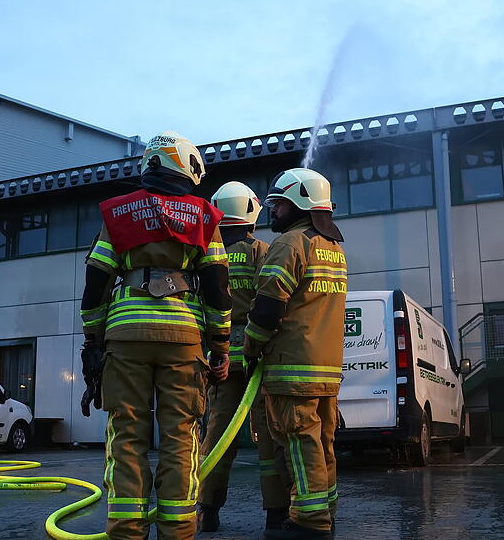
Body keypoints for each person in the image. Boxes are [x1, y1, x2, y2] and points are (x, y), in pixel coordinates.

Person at [79, 132, 231, 540]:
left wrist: (92, 340)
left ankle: (127, 529)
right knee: (181, 433)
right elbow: (217, 287)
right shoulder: (203, 216)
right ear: (185, 167)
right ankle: (178, 530)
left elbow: (96, 280)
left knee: (127, 433)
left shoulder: (119, 215)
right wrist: (220, 345)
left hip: (125, 336)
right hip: (184, 339)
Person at [243, 168, 347, 540]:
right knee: (322, 444)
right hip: (327, 369)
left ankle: (309, 522)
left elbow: (269, 306)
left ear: (300, 204)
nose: (273, 212)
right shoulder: (333, 248)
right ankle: (326, 513)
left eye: (279, 205)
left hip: (292, 368)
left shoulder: (290, 243)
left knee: (300, 443)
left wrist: (250, 347)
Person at [198, 181, 289, 533]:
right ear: (251, 212)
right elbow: (271, 302)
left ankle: (207, 510)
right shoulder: (263, 251)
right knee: (268, 438)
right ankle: (276, 514)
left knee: (218, 434)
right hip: (256, 359)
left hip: (218, 359)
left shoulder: (206, 251)